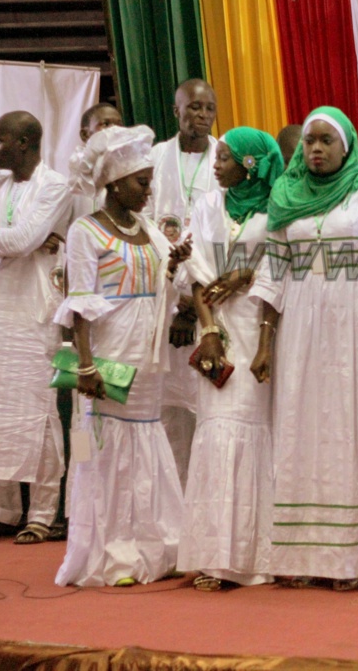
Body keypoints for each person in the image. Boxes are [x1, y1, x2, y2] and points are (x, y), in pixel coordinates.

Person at [249, 107, 358, 591]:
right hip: (300, 323)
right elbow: (273, 271)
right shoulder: (284, 193)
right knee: (299, 424)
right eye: (309, 142)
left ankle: (349, 560)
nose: (315, 149)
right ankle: (300, 555)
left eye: (325, 141)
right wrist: (264, 343)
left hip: (355, 319)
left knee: (349, 428)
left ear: (347, 146)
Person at [54, 125, 191, 587]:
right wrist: (85, 364)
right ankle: (116, 552)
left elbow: (166, 283)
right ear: (114, 183)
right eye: (141, 182)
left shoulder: (147, 229)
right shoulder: (85, 231)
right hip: (109, 348)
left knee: (147, 436)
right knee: (109, 447)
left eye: (150, 182)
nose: (149, 192)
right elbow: (79, 303)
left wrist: (174, 262)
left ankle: (157, 544)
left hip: (148, 351)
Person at [175, 127, 285, 591]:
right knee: (215, 431)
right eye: (216, 157)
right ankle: (214, 558)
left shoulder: (277, 208)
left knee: (250, 432)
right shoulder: (207, 205)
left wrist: (248, 275)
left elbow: (281, 267)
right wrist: (209, 331)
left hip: (257, 326)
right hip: (216, 329)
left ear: (251, 164)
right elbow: (195, 269)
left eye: (224, 158)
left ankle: (249, 558)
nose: (216, 165)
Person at [0, 111, 70, 544]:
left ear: (24, 143)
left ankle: (41, 513)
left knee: (38, 413)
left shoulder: (55, 185)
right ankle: (4, 511)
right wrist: (5, 241)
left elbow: (20, 238)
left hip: (31, 313)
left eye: (0, 139)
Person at [150, 78, 221, 490]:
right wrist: (173, 300)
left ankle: (204, 497)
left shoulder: (225, 158)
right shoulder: (154, 157)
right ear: (176, 110)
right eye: (194, 107)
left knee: (204, 406)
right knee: (165, 409)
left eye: (209, 108)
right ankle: (171, 500)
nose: (203, 115)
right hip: (160, 302)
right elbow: (144, 228)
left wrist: (192, 304)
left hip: (209, 304)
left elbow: (226, 235)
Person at [68, 103, 124, 221]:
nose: (115, 130)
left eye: (119, 125)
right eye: (106, 124)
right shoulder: (76, 175)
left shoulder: (129, 168)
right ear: (85, 134)